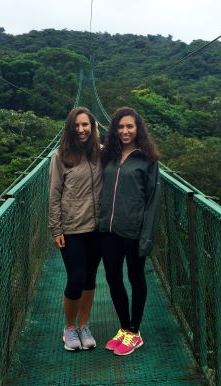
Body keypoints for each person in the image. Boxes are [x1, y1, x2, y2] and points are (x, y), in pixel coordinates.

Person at [98, 107, 161, 356]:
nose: (125, 131)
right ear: (114, 129)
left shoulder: (148, 160)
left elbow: (154, 200)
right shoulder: (109, 156)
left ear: (138, 129)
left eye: (130, 127)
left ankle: (135, 332)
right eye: (120, 127)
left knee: (136, 279)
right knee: (113, 278)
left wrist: (147, 237)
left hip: (135, 231)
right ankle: (124, 327)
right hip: (109, 230)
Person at [48, 107, 103, 351]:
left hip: (98, 228)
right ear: (70, 128)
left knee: (90, 278)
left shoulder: (100, 154)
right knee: (76, 277)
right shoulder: (60, 156)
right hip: (71, 228)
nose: (81, 129)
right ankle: (69, 329)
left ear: (93, 127)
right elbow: (54, 194)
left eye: (86, 125)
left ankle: (84, 325)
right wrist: (56, 229)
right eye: (77, 125)